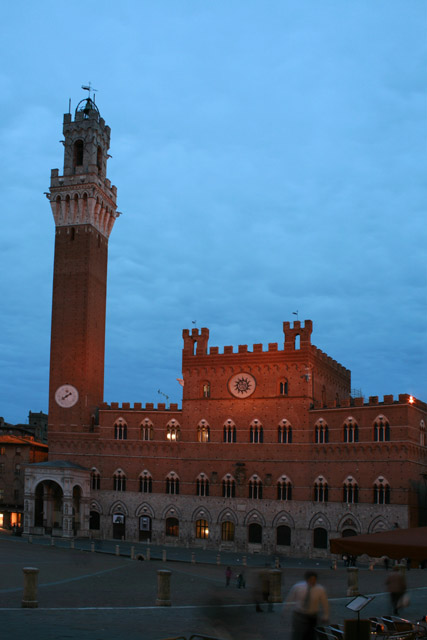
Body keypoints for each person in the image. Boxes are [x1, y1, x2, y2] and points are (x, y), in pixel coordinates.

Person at [286, 570, 329, 640]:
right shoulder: (298, 587)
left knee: (310, 635)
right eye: (311, 579)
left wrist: (326, 615)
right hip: (299, 614)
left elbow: (325, 603)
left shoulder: (320, 589)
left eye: (314, 579)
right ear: (307, 579)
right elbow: (289, 599)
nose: (313, 581)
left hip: (312, 616)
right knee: (298, 634)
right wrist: (286, 610)